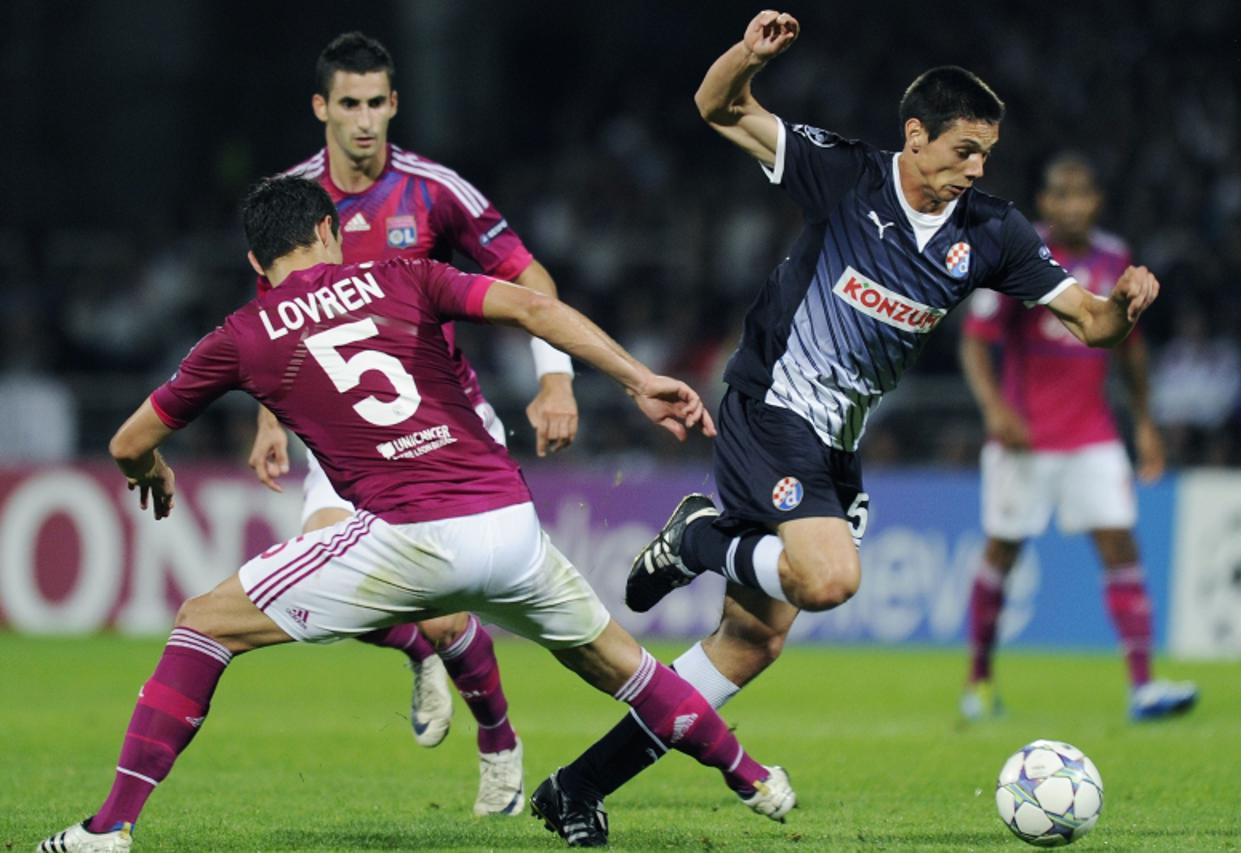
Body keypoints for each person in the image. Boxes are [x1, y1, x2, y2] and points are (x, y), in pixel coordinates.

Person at [529, 11, 1161, 846]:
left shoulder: (993, 232)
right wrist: (744, 60)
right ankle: (700, 539)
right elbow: (718, 107)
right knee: (829, 578)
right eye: (963, 150)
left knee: (749, 643)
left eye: (986, 156)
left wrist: (1121, 306)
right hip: (772, 405)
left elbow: (1089, 321)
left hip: (836, 441)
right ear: (915, 134)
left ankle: (575, 788)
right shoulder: (846, 175)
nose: (975, 169)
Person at [36, 176, 795, 853]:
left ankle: (108, 828)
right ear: (331, 232)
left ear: (254, 264)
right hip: (510, 526)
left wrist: (152, 468)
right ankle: (755, 776)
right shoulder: (406, 275)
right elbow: (534, 304)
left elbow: (128, 439)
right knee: (626, 667)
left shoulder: (240, 336)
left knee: (205, 620)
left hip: (408, 534)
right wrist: (636, 378)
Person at [247, 32, 579, 815]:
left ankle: (498, 739)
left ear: (394, 104)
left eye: (378, 104)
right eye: (349, 105)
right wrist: (271, 421)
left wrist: (554, 376)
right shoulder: (290, 201)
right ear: (321, 107)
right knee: (323, 586)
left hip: (435, 425)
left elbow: (529, 278)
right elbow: (275, 321)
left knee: (447, 603)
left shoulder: (433, 191)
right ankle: (420, 650)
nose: (365, 122)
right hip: (338, 435)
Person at [959, 153, 1198, 722]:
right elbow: (975, 341)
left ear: (1097, 201)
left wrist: (1143, 422)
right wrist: (995, 410)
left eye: (1081, 194)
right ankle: (979, 684)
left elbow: (1132, 350)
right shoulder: (1018, 252)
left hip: (1091, 433)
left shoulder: (1116, 259)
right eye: (1060, 194)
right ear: (1044, 202)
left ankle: (1143, 685)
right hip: (1025, 437)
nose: (1071, 205)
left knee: (1120, 544)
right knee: (1002, 551)